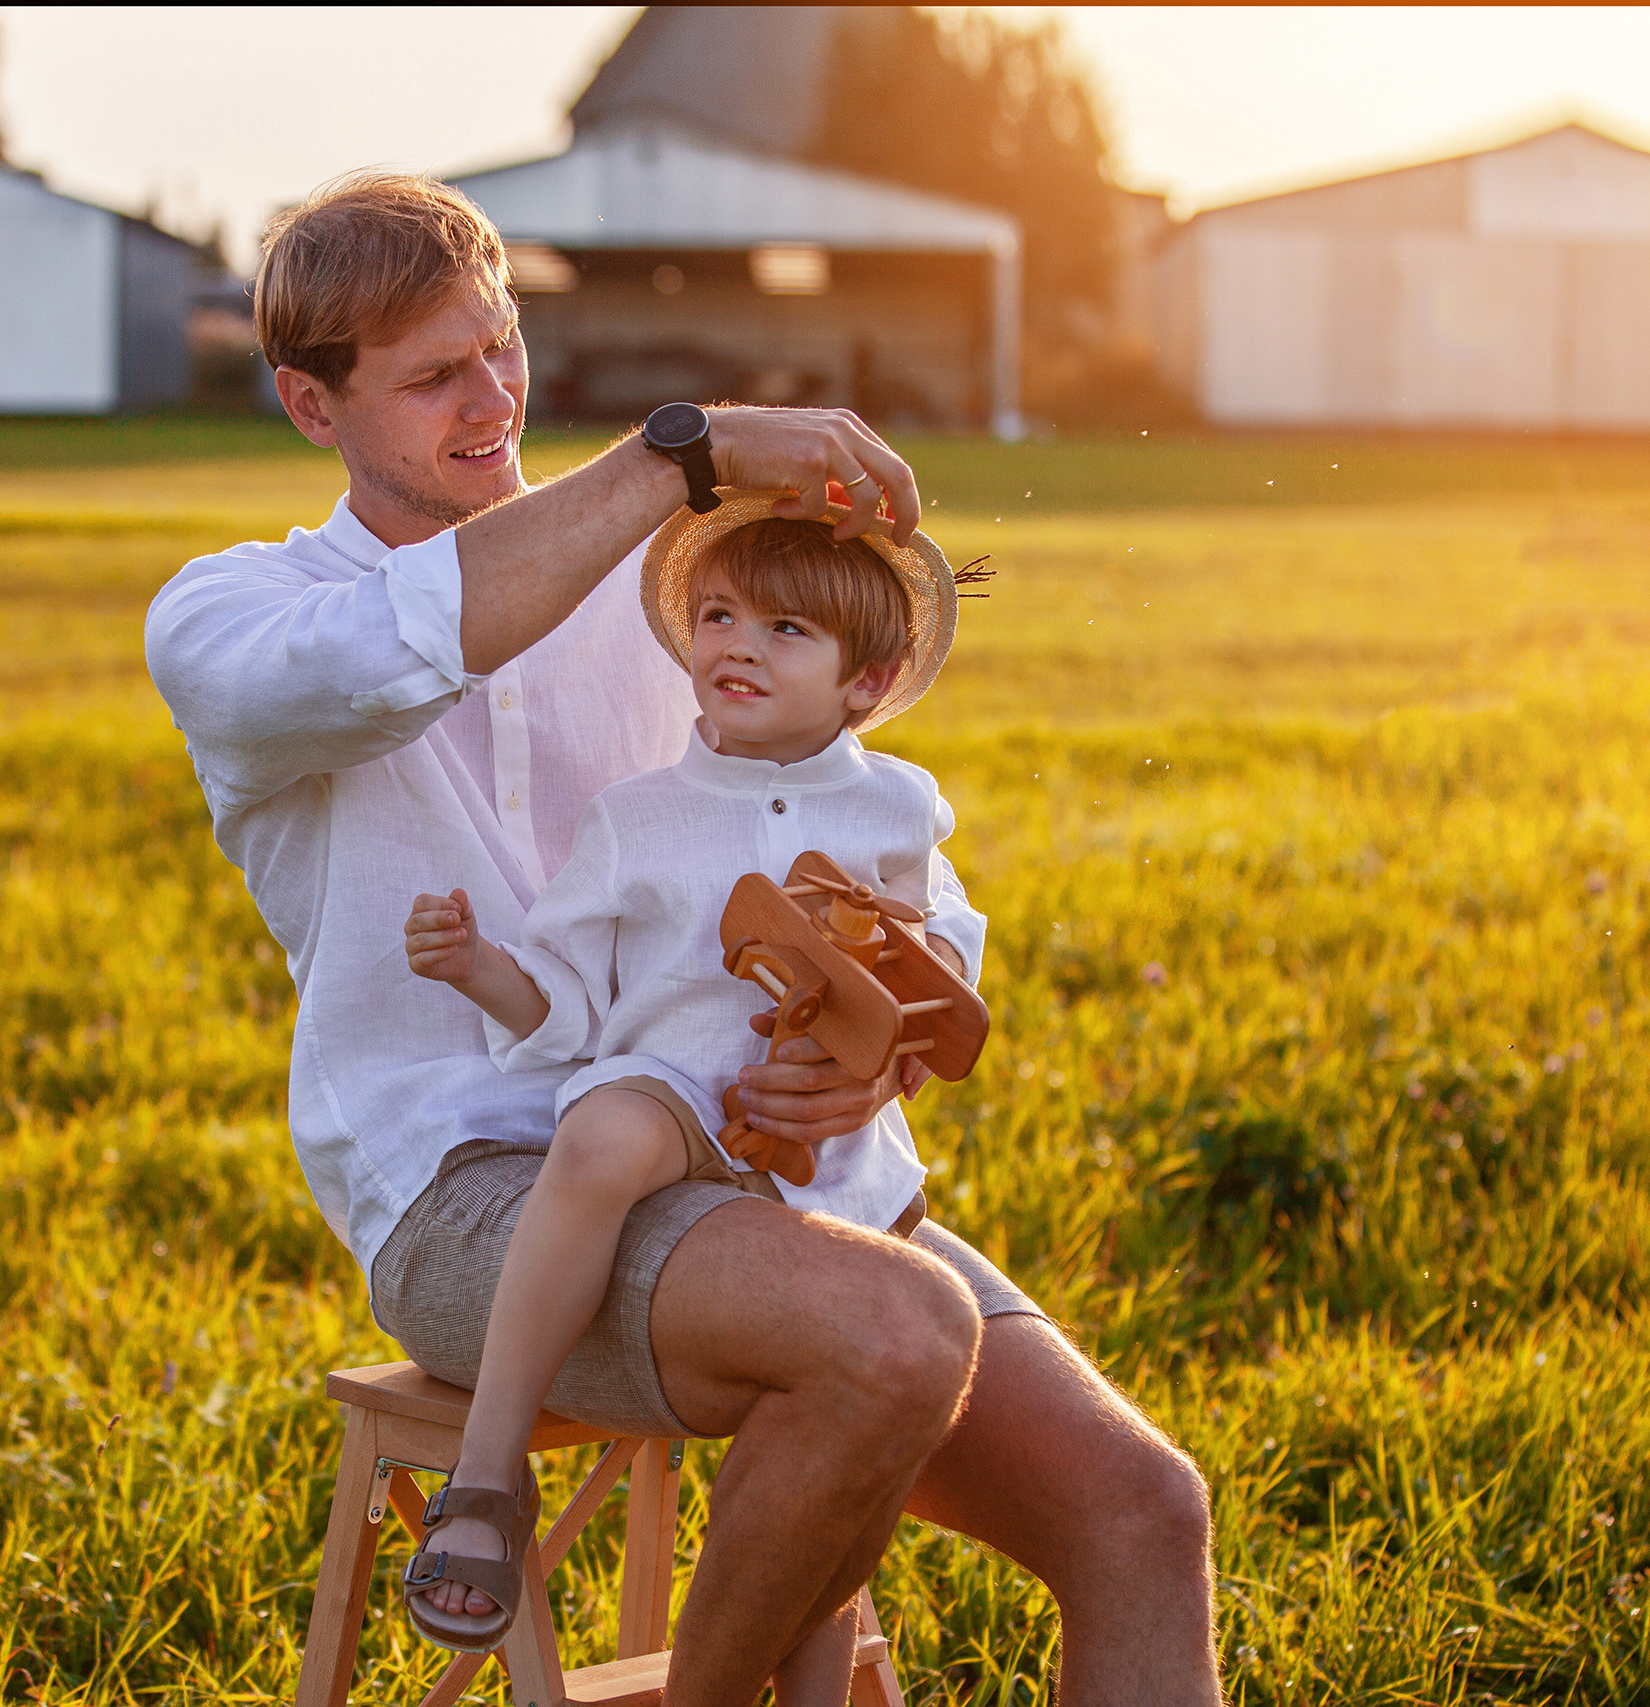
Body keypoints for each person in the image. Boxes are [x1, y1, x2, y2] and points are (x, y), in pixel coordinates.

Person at [144, 170, 1222, 1706]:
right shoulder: (232, 618)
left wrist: (878, 1039)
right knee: (893, 1329)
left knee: (1142, 1505)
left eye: (502, 345)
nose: (494, 396)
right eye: (436, 374)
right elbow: (399, 647)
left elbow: (850, 831)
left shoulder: (667, 595)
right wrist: (684, 457)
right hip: (470, 1191)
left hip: (747, 1162)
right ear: (312, 407)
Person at [396, 500, 967, 1653]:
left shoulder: (895, 804)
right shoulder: (636, 820)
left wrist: (899, 1023)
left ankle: (809, 1658)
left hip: (815, 1129)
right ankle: (489, 1476)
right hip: (668, 1086)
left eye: (786, 630)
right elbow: (570, 1003)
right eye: (717, 616)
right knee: (602, 1138)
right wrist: (478, 970)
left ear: (869, 679)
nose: (736, 645)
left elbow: (945, 942)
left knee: (843, 1422)